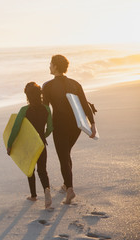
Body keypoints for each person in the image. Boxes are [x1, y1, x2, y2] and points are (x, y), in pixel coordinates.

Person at [42, 55, 96, 204]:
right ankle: (66, 185)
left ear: (55, 67)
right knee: (66, 153)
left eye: (50, 64)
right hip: (76, 126)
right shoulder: (75, 83)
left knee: (63, 156)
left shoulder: (47, 86)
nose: (49, 66)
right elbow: (85, 105)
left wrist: (42, 127)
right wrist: (92, 124)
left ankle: (70, 189)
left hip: (59, 125)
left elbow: (45, 109)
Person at [7, 82, 53, 209]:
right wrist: (43, 136)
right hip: (41, 144)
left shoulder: (24, 110)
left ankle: (33, 195)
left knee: (30, 169)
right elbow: (50, 128)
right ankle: (47, 191)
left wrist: (10, 144)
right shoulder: (46, 109)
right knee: (42, 170)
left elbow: (15, 129)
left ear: (27, 96)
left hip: (29, 145)